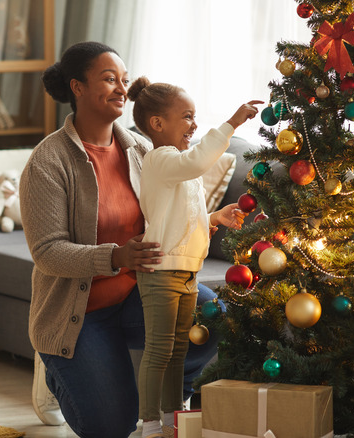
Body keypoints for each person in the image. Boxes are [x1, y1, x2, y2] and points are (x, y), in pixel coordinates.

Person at [20, 41, 222, 438]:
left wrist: (207, 220)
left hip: (141, 292)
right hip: (80, 315)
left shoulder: (141, 148)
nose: (121, 89)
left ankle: (171, 401)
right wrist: (116, 257)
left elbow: (175, 206)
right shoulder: (49, 161)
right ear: (77, 88)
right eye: (109, 79)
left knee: (214, 319)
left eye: (124, 80)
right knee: (111, 427)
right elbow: (47, 252)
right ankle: (54, 372)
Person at [126, 77, 260, 437]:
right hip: (161, 273)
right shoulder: (160, 160)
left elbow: (185, 212)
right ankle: (149, 422)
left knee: (179, 350)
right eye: (186, 117)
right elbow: (198, 162)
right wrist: (232, 123)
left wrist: (215, 217)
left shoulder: (180, 168)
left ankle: (173, 417)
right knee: (159, 349)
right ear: (157, 124)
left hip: (186, 272)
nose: (195, 125)